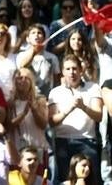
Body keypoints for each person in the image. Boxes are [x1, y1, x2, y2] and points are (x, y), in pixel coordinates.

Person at [48, 54, 103, 184]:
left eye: (74, 68)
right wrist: (70, 108)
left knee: (91, 181)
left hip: (87, 140)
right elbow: (52, 121)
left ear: (81, 70)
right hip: (63, 141)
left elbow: (99, 116)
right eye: (67, 69)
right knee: (66, 181)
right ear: (62, 71)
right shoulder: (55, 92)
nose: (71, 72)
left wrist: (83, 107)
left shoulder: (93, 88)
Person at [16, 24, 60, 96]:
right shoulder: (21, 55)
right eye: (33, 33)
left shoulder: (53, 57)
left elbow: (56, 80)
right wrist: (34, 52)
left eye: (39, 33)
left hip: (47, 97)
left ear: (44, 38)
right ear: (28, 39)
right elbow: (22, 66)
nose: (36, 35)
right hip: (28, 96)